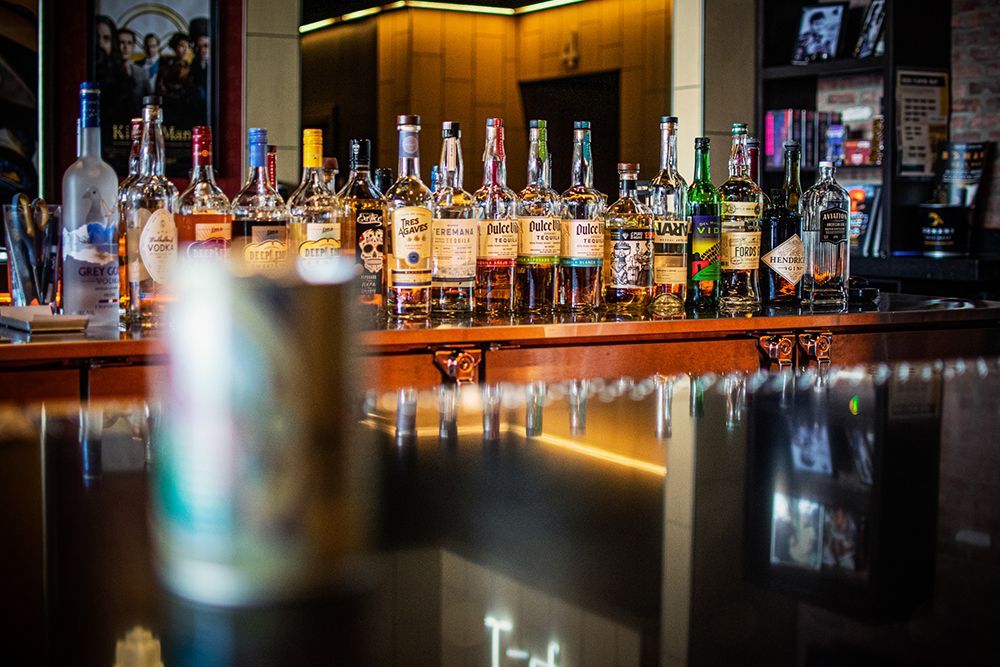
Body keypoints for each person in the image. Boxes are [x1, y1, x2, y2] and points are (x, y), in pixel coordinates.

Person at [158, 33, 196, 128]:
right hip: (169, 108)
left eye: (188, 47)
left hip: (188, 110)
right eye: (182, 46)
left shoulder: (193, 68)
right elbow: (160, 89)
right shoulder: (165, 67)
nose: (185, 50)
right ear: (175, 48)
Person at [114, 28, 152, 118]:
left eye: (129, 43)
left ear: (133, 46)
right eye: (121, 43)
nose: (125, 47)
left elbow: (149, 101)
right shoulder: (108, 71)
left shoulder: (142, 72)